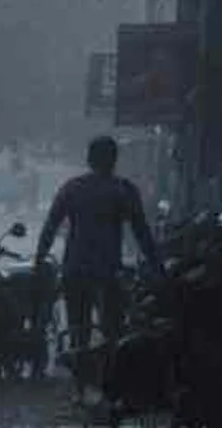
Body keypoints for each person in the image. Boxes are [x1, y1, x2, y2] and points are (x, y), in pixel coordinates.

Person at [34, 135, 164, 357]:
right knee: (113, 331)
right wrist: (157, 267)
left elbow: (50, 227)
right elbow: (142, 233)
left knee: (78, 328)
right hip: (108, 270)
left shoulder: (72, 188)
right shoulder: (123, 190)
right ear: (114, 160)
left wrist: (39, 259)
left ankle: (79, 375)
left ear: (89, 159)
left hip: (75, 269)